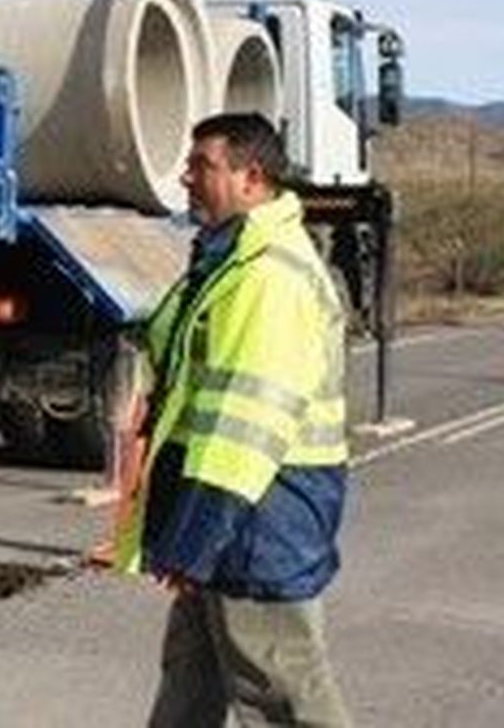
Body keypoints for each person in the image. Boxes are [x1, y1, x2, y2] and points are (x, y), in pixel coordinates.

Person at [115, 112, 352, 727]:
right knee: (192, 676)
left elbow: (246, 428)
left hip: (258, 515)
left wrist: (197, 535)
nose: (186, 178)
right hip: (226, 510)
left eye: (202, 166)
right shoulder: (229, 259)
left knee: (280, 687)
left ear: (252, 178)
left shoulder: (269, 277)